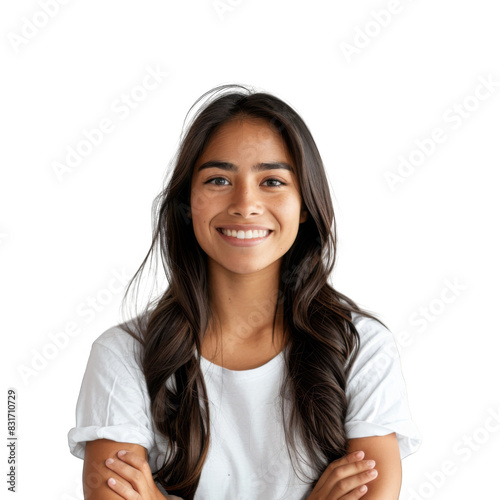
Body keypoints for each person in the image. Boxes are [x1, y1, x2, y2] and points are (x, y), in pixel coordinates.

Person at [68, 84, 422, 500]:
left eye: (272, 180)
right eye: (219, 179)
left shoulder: (362, 347)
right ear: (186, 202)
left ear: (305, 204)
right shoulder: (123, 354)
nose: (245, 203)